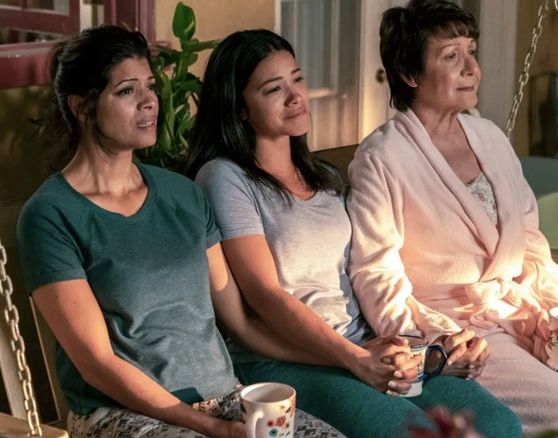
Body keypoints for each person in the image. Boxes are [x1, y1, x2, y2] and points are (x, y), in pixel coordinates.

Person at [346, 1, 558, 436]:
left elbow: (531, 244)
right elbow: (376, 275)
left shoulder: (489, 137)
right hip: (460, 334)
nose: (471, 67)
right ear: (410, 74)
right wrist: (439, 347)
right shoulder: (382, 158)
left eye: (472, 51)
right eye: (451, 56)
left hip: (524, 311)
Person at [185, 29, 521, 438]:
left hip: (367, 343)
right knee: (411, 434)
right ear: (238, 109)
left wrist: (429, 346)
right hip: (291, 360)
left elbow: (368, 271)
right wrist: (353, 357)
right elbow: (263, 294)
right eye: (274, 89)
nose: (296, 96)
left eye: (298, 79)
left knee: (499, 425)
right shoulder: (224, 178)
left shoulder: (324, 177)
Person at [16, 25, 344, 438]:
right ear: (82, 107)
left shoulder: (182, 195)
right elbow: (97, 363)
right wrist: (207, 427)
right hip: (120, 413)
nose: (149, 101)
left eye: (150, 87)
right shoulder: (52, 215)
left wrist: (347, 358)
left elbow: (240, 324)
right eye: (126, 91)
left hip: (224, 399)